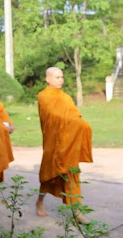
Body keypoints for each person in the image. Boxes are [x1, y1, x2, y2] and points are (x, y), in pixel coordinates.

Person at [36, 67, 93, 220]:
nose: (60, 80)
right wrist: (73, 121)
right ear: (48, 79)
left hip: (68, 143)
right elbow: (52, 116)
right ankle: (39, 202)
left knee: (72, 173)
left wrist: (80, 123)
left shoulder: (66, 97)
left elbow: (75, 113)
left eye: (62, 77)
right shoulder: (43, 96)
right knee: (48, 175)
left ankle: (77, 212)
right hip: (53, 143)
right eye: (57, 77)